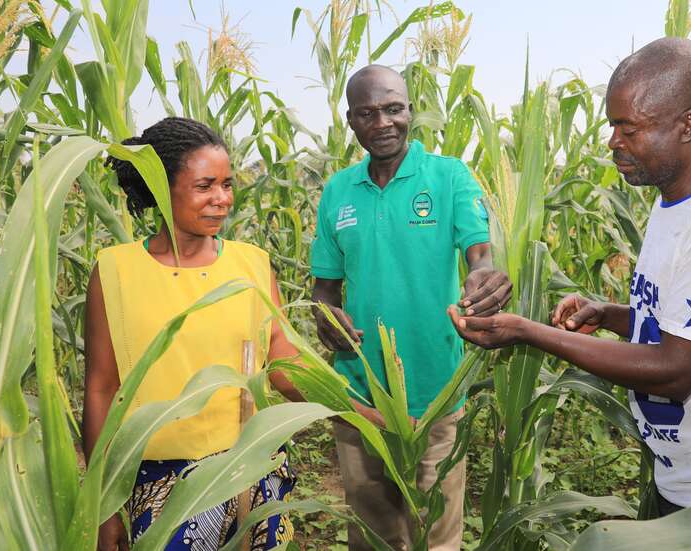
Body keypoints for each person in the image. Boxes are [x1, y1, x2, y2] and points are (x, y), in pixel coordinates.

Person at [448, 38, 691, 516]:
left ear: (688, 124)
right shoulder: (676, 200)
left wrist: (527, 332)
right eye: (612, 126)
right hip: (684, 476)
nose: (612, 142)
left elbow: (677, 368)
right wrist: (609, 314)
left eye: (629, 128)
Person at [310, 64, 511, 550]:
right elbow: (324, 288)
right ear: (351, 121)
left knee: (437, 536)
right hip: (360, 393)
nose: (383, 123)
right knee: (373, 537)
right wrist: (324, 315)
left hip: (436, 391)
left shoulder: (448, 176)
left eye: (393, 109)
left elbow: (479, 254)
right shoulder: (338, 190)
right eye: (367, 113)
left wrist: (483, 278)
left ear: (410, 111)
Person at [83, 117, 304, 551]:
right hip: (158, 481)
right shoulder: (115, 271)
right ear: (163, 187)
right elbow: (101, 389)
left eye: (227, 185)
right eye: (205, 186)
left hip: (249, 469)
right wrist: (103, 505)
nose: (222, 199)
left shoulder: (252, 264)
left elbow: (282, 360)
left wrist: (350, 407)